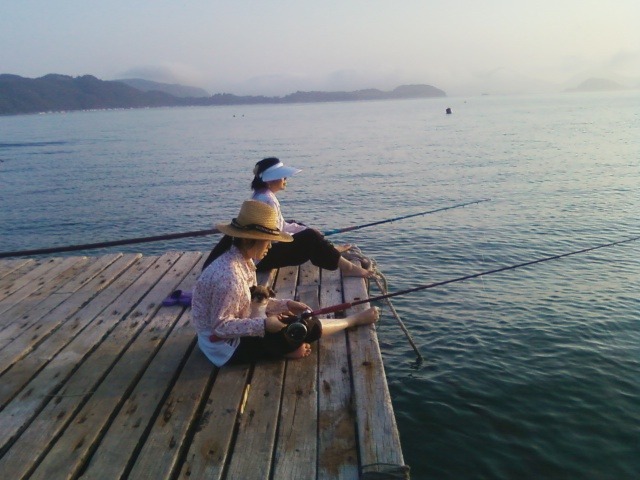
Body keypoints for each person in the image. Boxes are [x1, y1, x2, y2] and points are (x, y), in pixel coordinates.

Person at [192, 200, 379, 367]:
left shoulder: (241, 261)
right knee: (301, 328)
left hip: (222, 336)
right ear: (248, 239)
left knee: (293, 319)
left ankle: (282, 348)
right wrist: (264, 325)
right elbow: (221, 327)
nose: (270, 247)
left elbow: (247, 299)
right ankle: (352, 321)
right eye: (268, 242)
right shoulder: (230, 277)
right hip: (225, 348)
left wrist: (286, 304)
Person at [202, 157, 374, 277]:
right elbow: (273, 237)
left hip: (263, 251)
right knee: (310, 237)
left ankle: (328, 250)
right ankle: (346, 267)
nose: (285, 179)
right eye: (282, 176)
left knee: (302, 228)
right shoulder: (267, 200)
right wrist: (309, 234)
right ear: (270, 180)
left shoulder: (262, 194)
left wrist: (305, 229)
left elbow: (282, 225)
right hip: (262, 257)